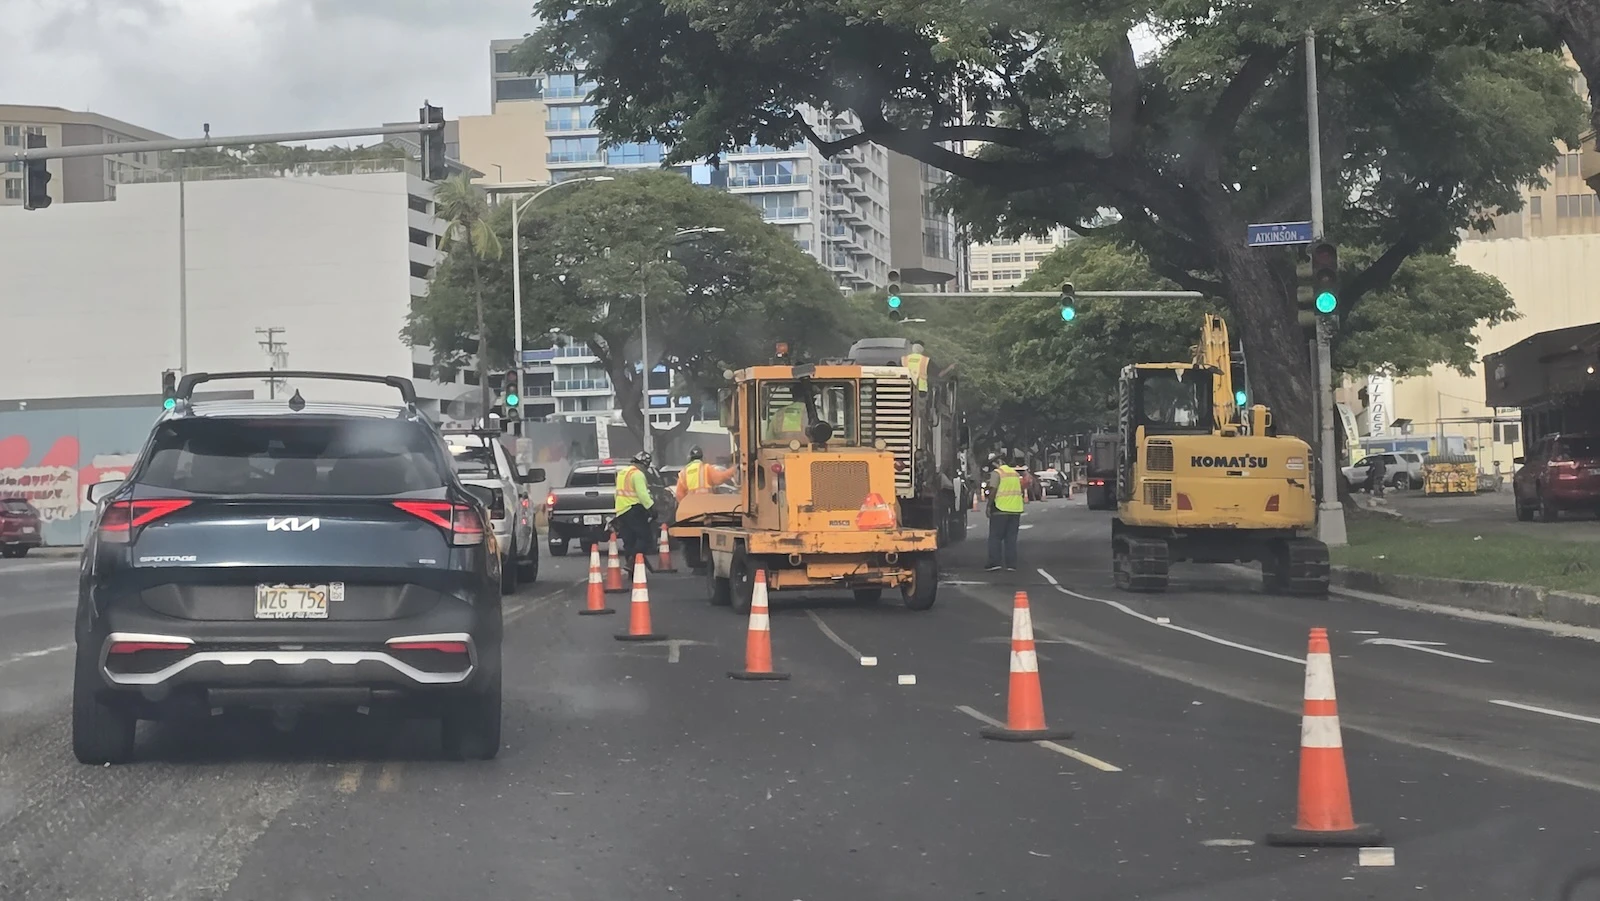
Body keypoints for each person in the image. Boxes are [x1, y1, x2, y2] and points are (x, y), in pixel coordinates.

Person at [613, 451, 657, 568]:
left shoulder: (622, 473)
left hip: (621, 510)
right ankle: (632, 562)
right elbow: (642, 494)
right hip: (634, 509)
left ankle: (632, 573)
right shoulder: (638, 474)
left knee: (629, 541)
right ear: (643, 464)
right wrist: (651, 509)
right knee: (645, 537)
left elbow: (617, 493)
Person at [986, 453, 1024, 572]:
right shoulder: (1014, 473)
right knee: (1011, 539)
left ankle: (995, 562)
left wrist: (988, 506)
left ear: (996, 463)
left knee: (995, 538)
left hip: (1000, 509)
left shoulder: (997, 473)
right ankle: (1011, 564)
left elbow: (993, 490)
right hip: (1015, 510)